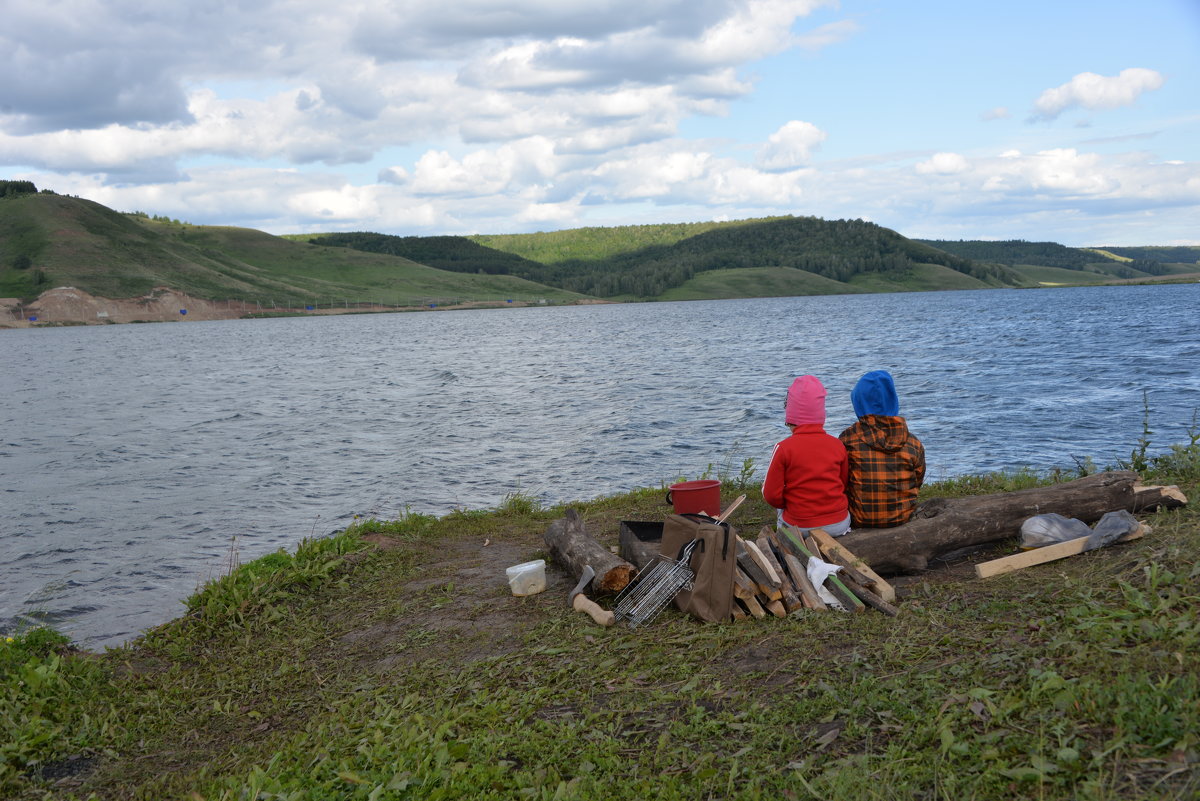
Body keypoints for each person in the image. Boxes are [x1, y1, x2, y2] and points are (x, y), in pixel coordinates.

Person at [762, 375, 851, 537]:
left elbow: (771, 495)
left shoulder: (783, 448)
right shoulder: (837, 445)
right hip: (838, 523)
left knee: (780, 510)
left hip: (799, 526)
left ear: (790, 416)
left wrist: (789, 504)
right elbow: (843, 483)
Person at [838, 370, 926, 528]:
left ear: (858, 402)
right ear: (893, 400)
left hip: (860, 520)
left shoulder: (848, 439)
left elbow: (841, 481)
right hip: (902, 518)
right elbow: (917, 481)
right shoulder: (913, 442)